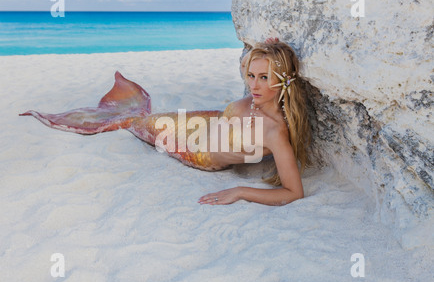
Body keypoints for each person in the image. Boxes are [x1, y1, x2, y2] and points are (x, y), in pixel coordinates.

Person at [20, 39, 311, 206]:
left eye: (264, 77)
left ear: (284, 81)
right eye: (251, 75)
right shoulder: (256, 100)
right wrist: (270, 52)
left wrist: (239, 191)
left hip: (197, 148)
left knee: (134, 122)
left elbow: (293, 192)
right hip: (206, 120)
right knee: (150, 118)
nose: (254, 85)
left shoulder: (275, 131)